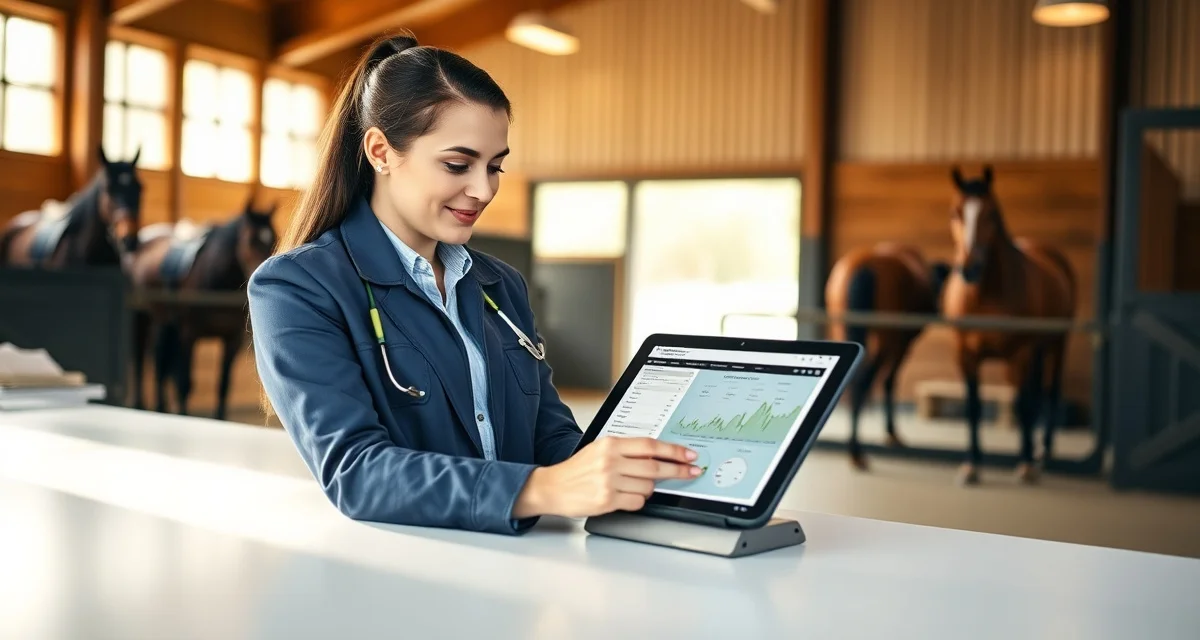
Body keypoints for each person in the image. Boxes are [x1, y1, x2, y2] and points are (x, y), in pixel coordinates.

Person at [247, 34, 702, 535]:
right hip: (402, 577)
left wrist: (639, 471)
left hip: (519, 571)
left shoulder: (499, 285)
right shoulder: (296, 287)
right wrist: (545, 490)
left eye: (495, 166)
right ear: (380, 151)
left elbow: (548, 435)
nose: (483, 190)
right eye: (458, 165)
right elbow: (357, 473)